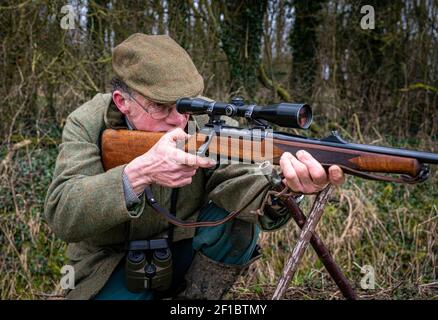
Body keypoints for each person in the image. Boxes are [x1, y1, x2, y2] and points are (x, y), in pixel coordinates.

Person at [44, 33, 345, 300]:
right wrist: (138, 174)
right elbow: (62, 213)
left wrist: (285, 189)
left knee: (237, 215)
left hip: (187, 255)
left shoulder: (204, 116)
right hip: (111, 263)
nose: (179, 119)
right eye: (161, 107)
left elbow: (241, 180)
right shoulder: (87, 122)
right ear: (123, 102)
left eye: (183, 104)